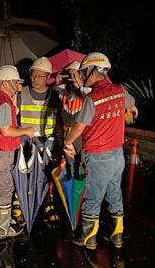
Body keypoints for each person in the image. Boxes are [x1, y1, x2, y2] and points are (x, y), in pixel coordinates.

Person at [63, 52, 137, 251]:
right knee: (115, 194)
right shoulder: (120, 90)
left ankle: (88, 239)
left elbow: (79, 127)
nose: (84, 74)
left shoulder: (92, 98)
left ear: (94, 71)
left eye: (86, 71)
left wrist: (68, 142)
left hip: (98, 157)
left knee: (93, 198)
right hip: (117, 156)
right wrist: (132, 109)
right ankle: (117, 236)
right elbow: (131, 104)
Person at [0, 65, 34, 239]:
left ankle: (4, 222)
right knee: (6, 189)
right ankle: (3, 229)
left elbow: (14, 112)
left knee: (6, 187)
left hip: (0, 152)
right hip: (3, 153)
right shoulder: (3, 103)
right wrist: (26, 130)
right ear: (6, 83)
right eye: (16, 82)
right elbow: (6, 130)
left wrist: (14, 95)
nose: (19, 85)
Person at [19, 57, 64, 227]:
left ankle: (48, 203)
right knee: (26, 173)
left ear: (48, 77)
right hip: (26, 141)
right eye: (33, 75)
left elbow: (59, 118)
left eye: (40, 76)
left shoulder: (55, 95)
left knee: (47, 174)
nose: (35, 79)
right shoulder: (20, 93)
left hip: (48, 142)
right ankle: (23, 205)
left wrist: (60, 140)